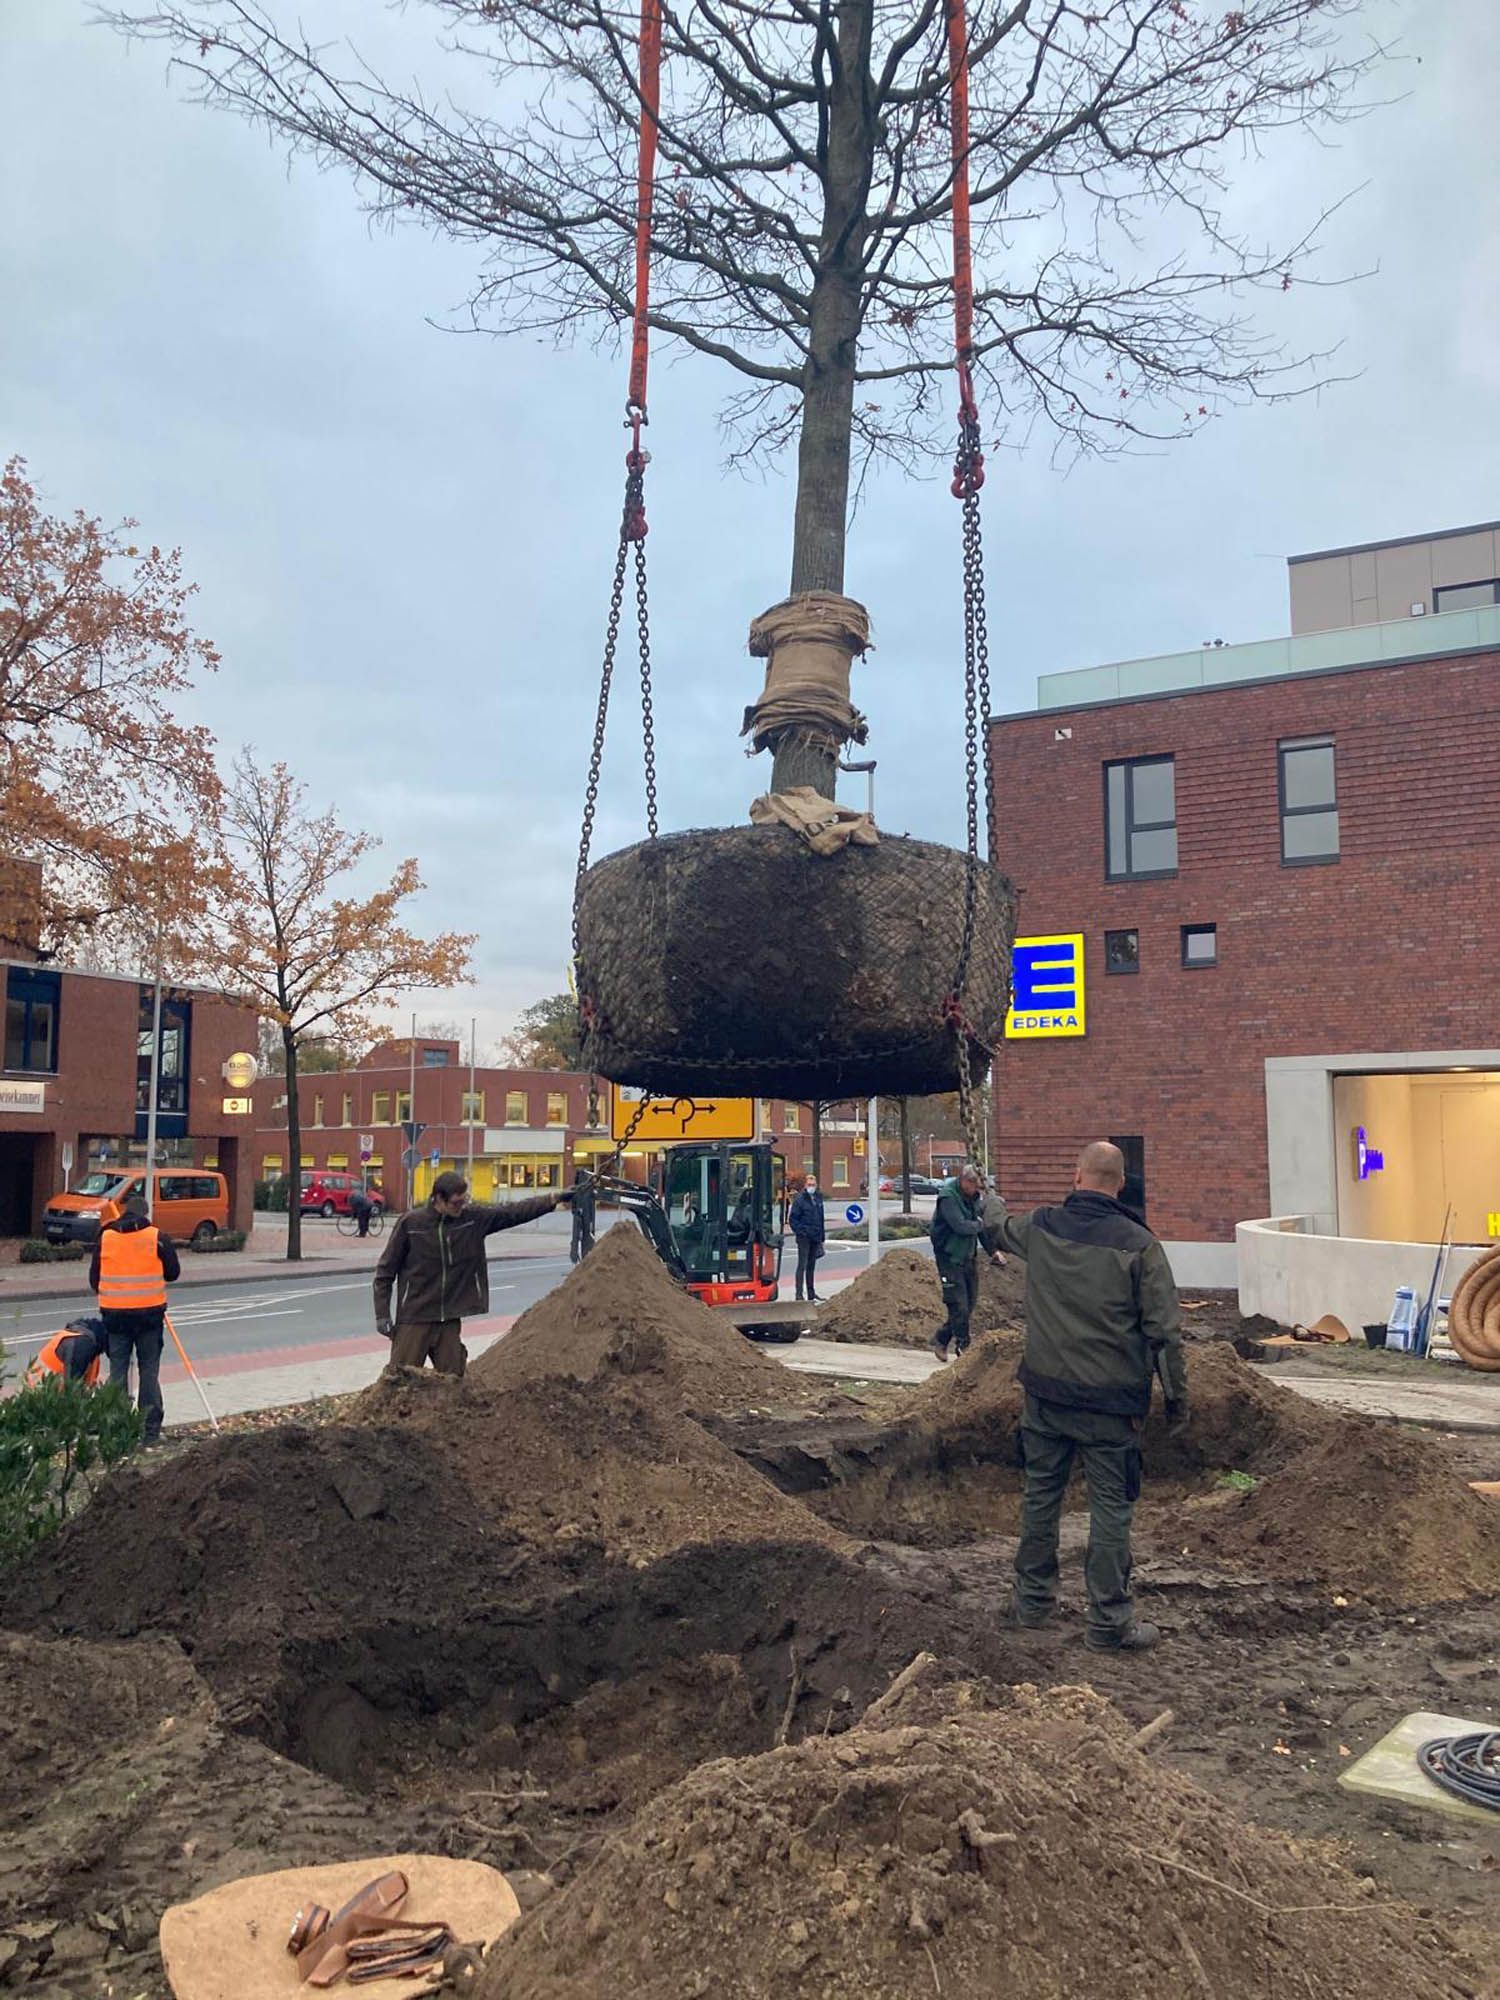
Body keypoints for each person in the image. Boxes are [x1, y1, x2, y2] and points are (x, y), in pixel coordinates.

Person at [985, 1140, 1187, 1654]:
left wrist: (987, 1197)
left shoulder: (1042, 1227)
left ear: (1077, 1176)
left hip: (1046, 1397)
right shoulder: (1140, 1245)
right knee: (1110, 1511)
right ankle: (1108, 1623)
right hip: (1111, 1406)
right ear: (1119, 1183)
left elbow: (996, 1226)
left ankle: (1030, 1604)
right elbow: (1164, 1332)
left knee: (1040, 1499)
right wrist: (1176, 1400)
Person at [374, 1169, 573, 1377]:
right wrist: (382, 1314)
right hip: (415, 1316)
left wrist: (553, 1199)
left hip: (449, 1318)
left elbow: (512, 1212)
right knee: (399, 1380)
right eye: (456, 1203)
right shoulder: (411, 1224)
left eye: (464, 1201)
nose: (461, 1207)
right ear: (439, 1199)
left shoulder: (472, 1220)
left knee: (454, 1381)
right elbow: (385, 1272)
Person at [90, 1192, 180, 1447]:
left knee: (117, 1370)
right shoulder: (157, 1237)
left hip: (115, 1317)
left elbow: (93, 1281)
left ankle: (116, 1427)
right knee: (148, 1370)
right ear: (145, 1214)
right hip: (149, 1317)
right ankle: (149, 1431)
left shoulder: (106, 1238)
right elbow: (173, 1273)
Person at [930, 1162, 998, 1360]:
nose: (977, 1191)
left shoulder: (972, 1198)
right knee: (958, 1305)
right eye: (975, 1186)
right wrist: (977, 1224)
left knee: (968, 1305)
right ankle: (964, 1349)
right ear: (965, 1181)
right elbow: (960, 1226)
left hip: (968, 1257)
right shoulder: (948, 1198)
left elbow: (980, 1229)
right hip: (949, 1257)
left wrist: (993, 1251)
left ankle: (941, 1339)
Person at [27, 1316, 109, 1388]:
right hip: (42, 1391)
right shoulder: (81, 1346)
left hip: (52, 1388)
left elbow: (89, 1385)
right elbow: (71, 1389)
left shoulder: (92, 1347)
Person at [789, 1174, 826, 1303]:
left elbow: (821, 1218)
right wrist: (801, 1232)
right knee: (802, 1265)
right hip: (804, 1238)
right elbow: (793, 1219)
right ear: (805, 1185)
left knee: (811, 1266)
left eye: (813, 1185)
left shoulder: (818, 1198)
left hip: (815, 1236)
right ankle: (799, 1294)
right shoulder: (800, 1200)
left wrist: (822, 1237)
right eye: (809, 1184)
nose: (811, 1187)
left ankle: (811, 1294)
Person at [569, 1166, 597, 1264]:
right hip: (586, 1217)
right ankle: (584, 1255)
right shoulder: (588, 1190)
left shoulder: (577, 1189)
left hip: (579, 1215)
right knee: (587, 1236)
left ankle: (576, 1255)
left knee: (577, 1236)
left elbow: (573, 1204)